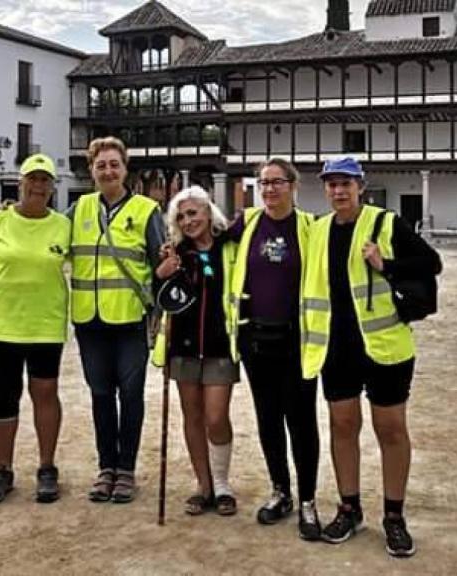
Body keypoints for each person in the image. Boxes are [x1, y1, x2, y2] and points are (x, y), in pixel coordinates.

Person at [301, 157, 441, 556]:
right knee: (343, 426)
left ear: (360, 186)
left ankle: (394, 516)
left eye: (346, 183)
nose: (338, 191)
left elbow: (432, 263)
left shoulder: (386, 223)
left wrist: (386, 264)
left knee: (391, 429)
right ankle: (350, 508)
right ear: (325, 189)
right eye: (332, 184)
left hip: (385, 346)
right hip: (336, 347)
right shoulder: (318, 229)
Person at [0, 153, 70, 505]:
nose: (38, 186)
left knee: (45, 393)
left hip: (46, 325)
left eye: (45, 180)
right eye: (33, 179)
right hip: (3, 326)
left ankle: (47, 467)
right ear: (21, 182)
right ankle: (3, 469)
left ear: (52, 187)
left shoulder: (63, 226)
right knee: (4, 395)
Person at [226, 159, 322, 540]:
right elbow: (207, 242)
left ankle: (308, 501)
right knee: (267, 419)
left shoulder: (310, 227)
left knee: (301, 422)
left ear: (293, 186)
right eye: (263, 182)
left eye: (276, 182)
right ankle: (280, 491)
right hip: (255, 340)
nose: (269, 189)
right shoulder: (247, 222)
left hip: (296, 340)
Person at [68, 136, 166, 504]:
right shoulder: (77, 210)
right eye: (101, 165)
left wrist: (159, 310)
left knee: (131, 395)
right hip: (89, 321)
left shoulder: (146, 211)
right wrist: (14, 211)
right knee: (100, 395)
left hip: (129, 321)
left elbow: (161, 265)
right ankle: (105, 467)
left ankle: (126, 469)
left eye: (114, 164)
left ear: (125, 169)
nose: (108, 171)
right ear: (91, 170)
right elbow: (47, 234)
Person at [152, 186, 239, 516]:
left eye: (193, 213)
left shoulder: (229, 246)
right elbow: (160, 298)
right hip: (183, 347)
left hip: (220, 346)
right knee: (193, 416)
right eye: (181, 217)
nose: (188, 221)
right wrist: (160, 276)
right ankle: (204, 485)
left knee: (216, 417)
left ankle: (222, 483)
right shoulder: (175, 253)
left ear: (208, 211)